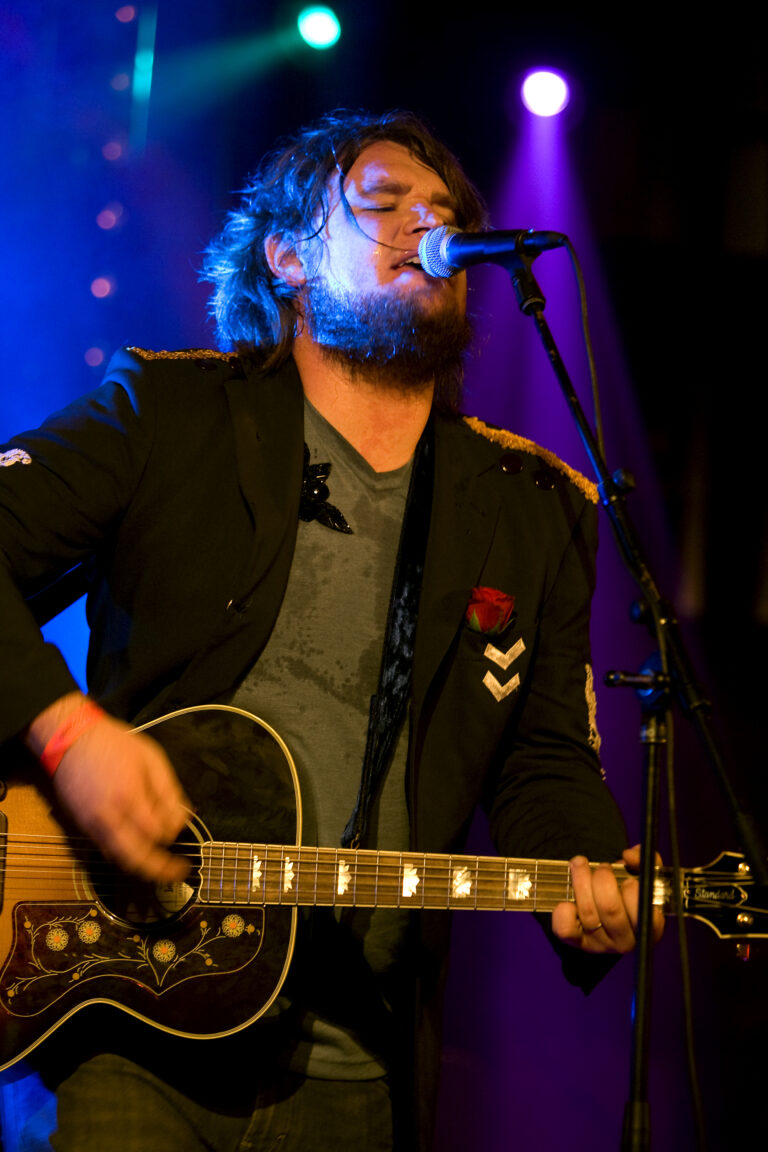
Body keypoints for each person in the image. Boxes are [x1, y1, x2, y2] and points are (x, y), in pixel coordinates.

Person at [0, 110, 662, 1151]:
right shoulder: (166, 413)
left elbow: (541, 756)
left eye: (444, 211)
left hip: (359, 1063)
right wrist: (68, 736)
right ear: (288, 256)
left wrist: (587, 877)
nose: (428, 225)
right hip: (123, 1022)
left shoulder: (533, 507)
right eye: (383, 204)